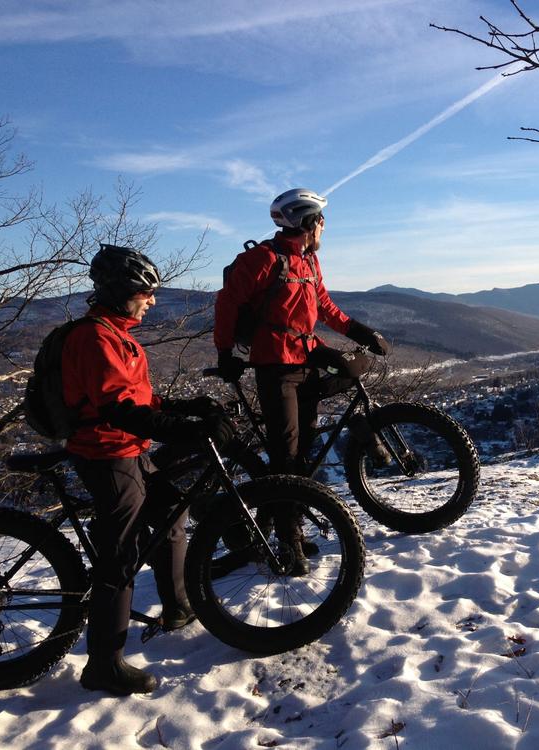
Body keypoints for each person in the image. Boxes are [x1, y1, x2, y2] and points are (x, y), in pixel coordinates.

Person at [63, 243, 233, 696]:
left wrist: (185, 407)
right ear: (120, 292)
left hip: (128, 449)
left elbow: (137, 398)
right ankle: (103, 665)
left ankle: (178, 605)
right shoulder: (95, 338)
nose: (153, 301)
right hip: (106, 454)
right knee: (119, 555)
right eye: (145, 292)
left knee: (173, 511)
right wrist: (183, 429)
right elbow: (117, 409)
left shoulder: (118, 335)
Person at [213, 188, 390, 572]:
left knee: (304, 449)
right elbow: (227, 302)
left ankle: (287, 519)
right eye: (322, 220)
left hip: (307, 357)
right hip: (275, 366)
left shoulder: (308, 260)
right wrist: (225, 353)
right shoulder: (264, 259)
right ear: (309, 221)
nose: (325, 226)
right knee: (286, 455)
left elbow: (324, 307)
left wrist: (361, 332)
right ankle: (288, 541)